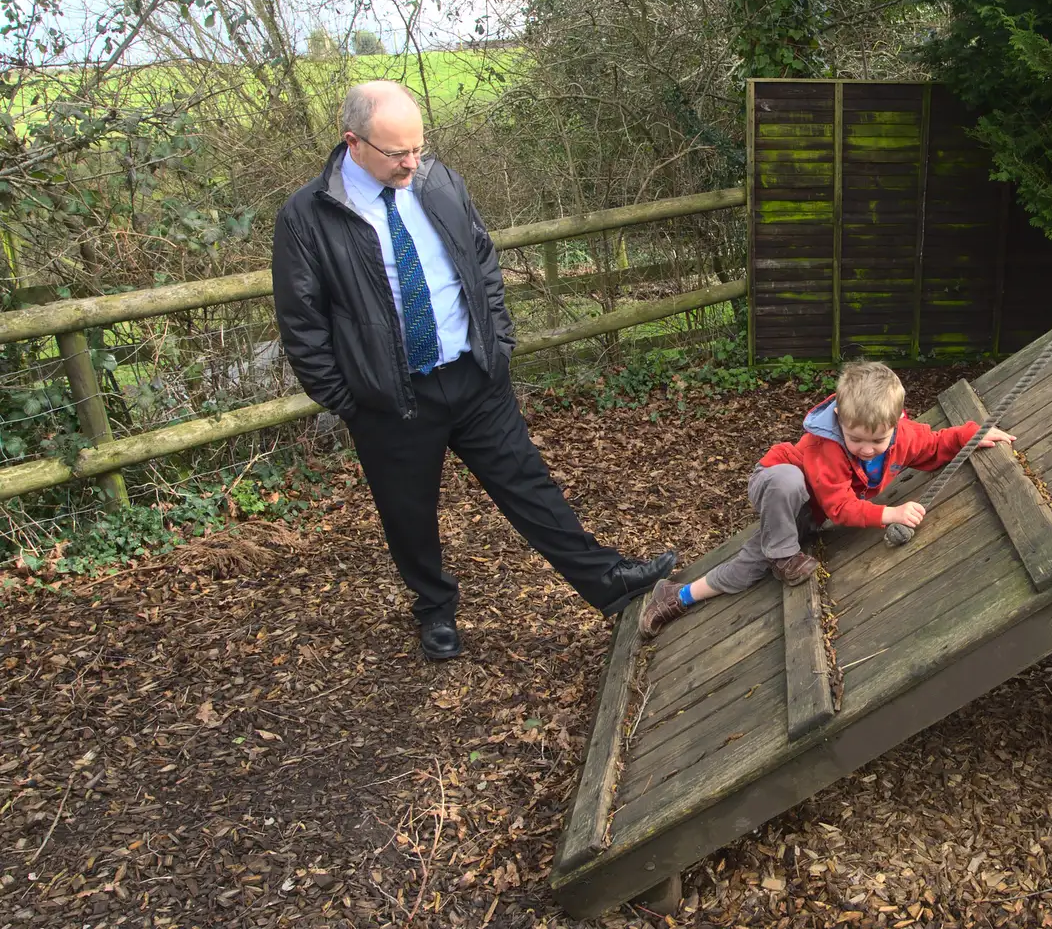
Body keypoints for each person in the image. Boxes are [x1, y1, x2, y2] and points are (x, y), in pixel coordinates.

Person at [271, 81, 674, 660]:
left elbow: (481, 259)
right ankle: (434, 611)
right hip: (392, 399)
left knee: (529, 485)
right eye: (397, 153)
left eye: (418, 146)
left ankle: (607, 582)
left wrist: (498, 341)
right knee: (408, 514)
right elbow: (301, 323)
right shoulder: (308, 217)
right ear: (352, 142)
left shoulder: (438, 182)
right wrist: (351, 399)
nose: (413, 162)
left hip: (475, 376)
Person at [638, 360, 1014, 637]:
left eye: (877, 441)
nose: (867, 450)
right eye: (856, 440)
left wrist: (971, 435)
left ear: (897, 422)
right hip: (776, 484)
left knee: (752, 564)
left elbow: (934, 443)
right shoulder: (826, 447)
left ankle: (677, 595)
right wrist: (890, 513)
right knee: (788, 483)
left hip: (807, 512)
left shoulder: (901, 435)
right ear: (839, 419)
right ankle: (783, 555)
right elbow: (840, 507)